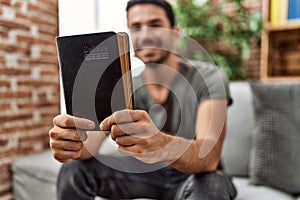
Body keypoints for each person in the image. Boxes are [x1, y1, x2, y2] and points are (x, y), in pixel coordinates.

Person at [49, 0, 237, 199]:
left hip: (195, 176)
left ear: (175, 33)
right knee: (73, 170)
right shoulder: (123, 85)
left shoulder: (209, 77)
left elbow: (209, 157)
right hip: (143, 175)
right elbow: (89, 148)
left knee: (212, 187)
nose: (145, 35)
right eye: (136, 28)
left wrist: (159, 144)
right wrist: (72, 144)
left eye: (155, 25)